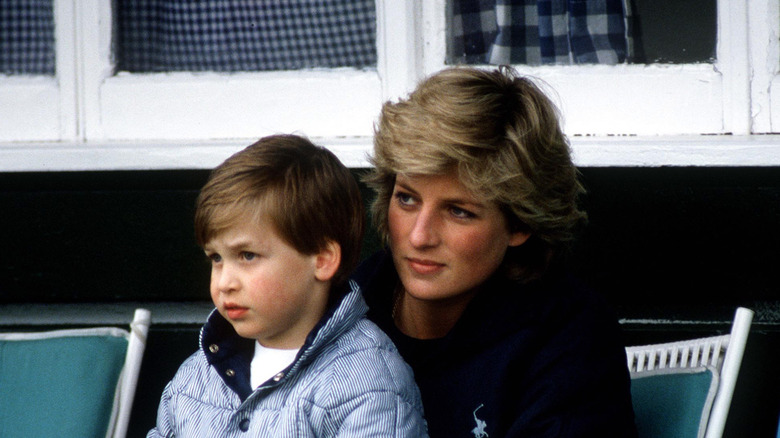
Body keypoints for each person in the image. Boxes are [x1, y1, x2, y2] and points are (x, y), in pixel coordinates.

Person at [355, 66, 638, 437]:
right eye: (407, 199)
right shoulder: (348, 306)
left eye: (459, 211)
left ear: (519, 223)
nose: (420, 236)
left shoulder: (567, 336)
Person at [148, 135, 428, 437]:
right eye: (216, 258)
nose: (225, 282)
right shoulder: (197, 376)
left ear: (322, 259)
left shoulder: (365, 382)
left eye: (247, 256)